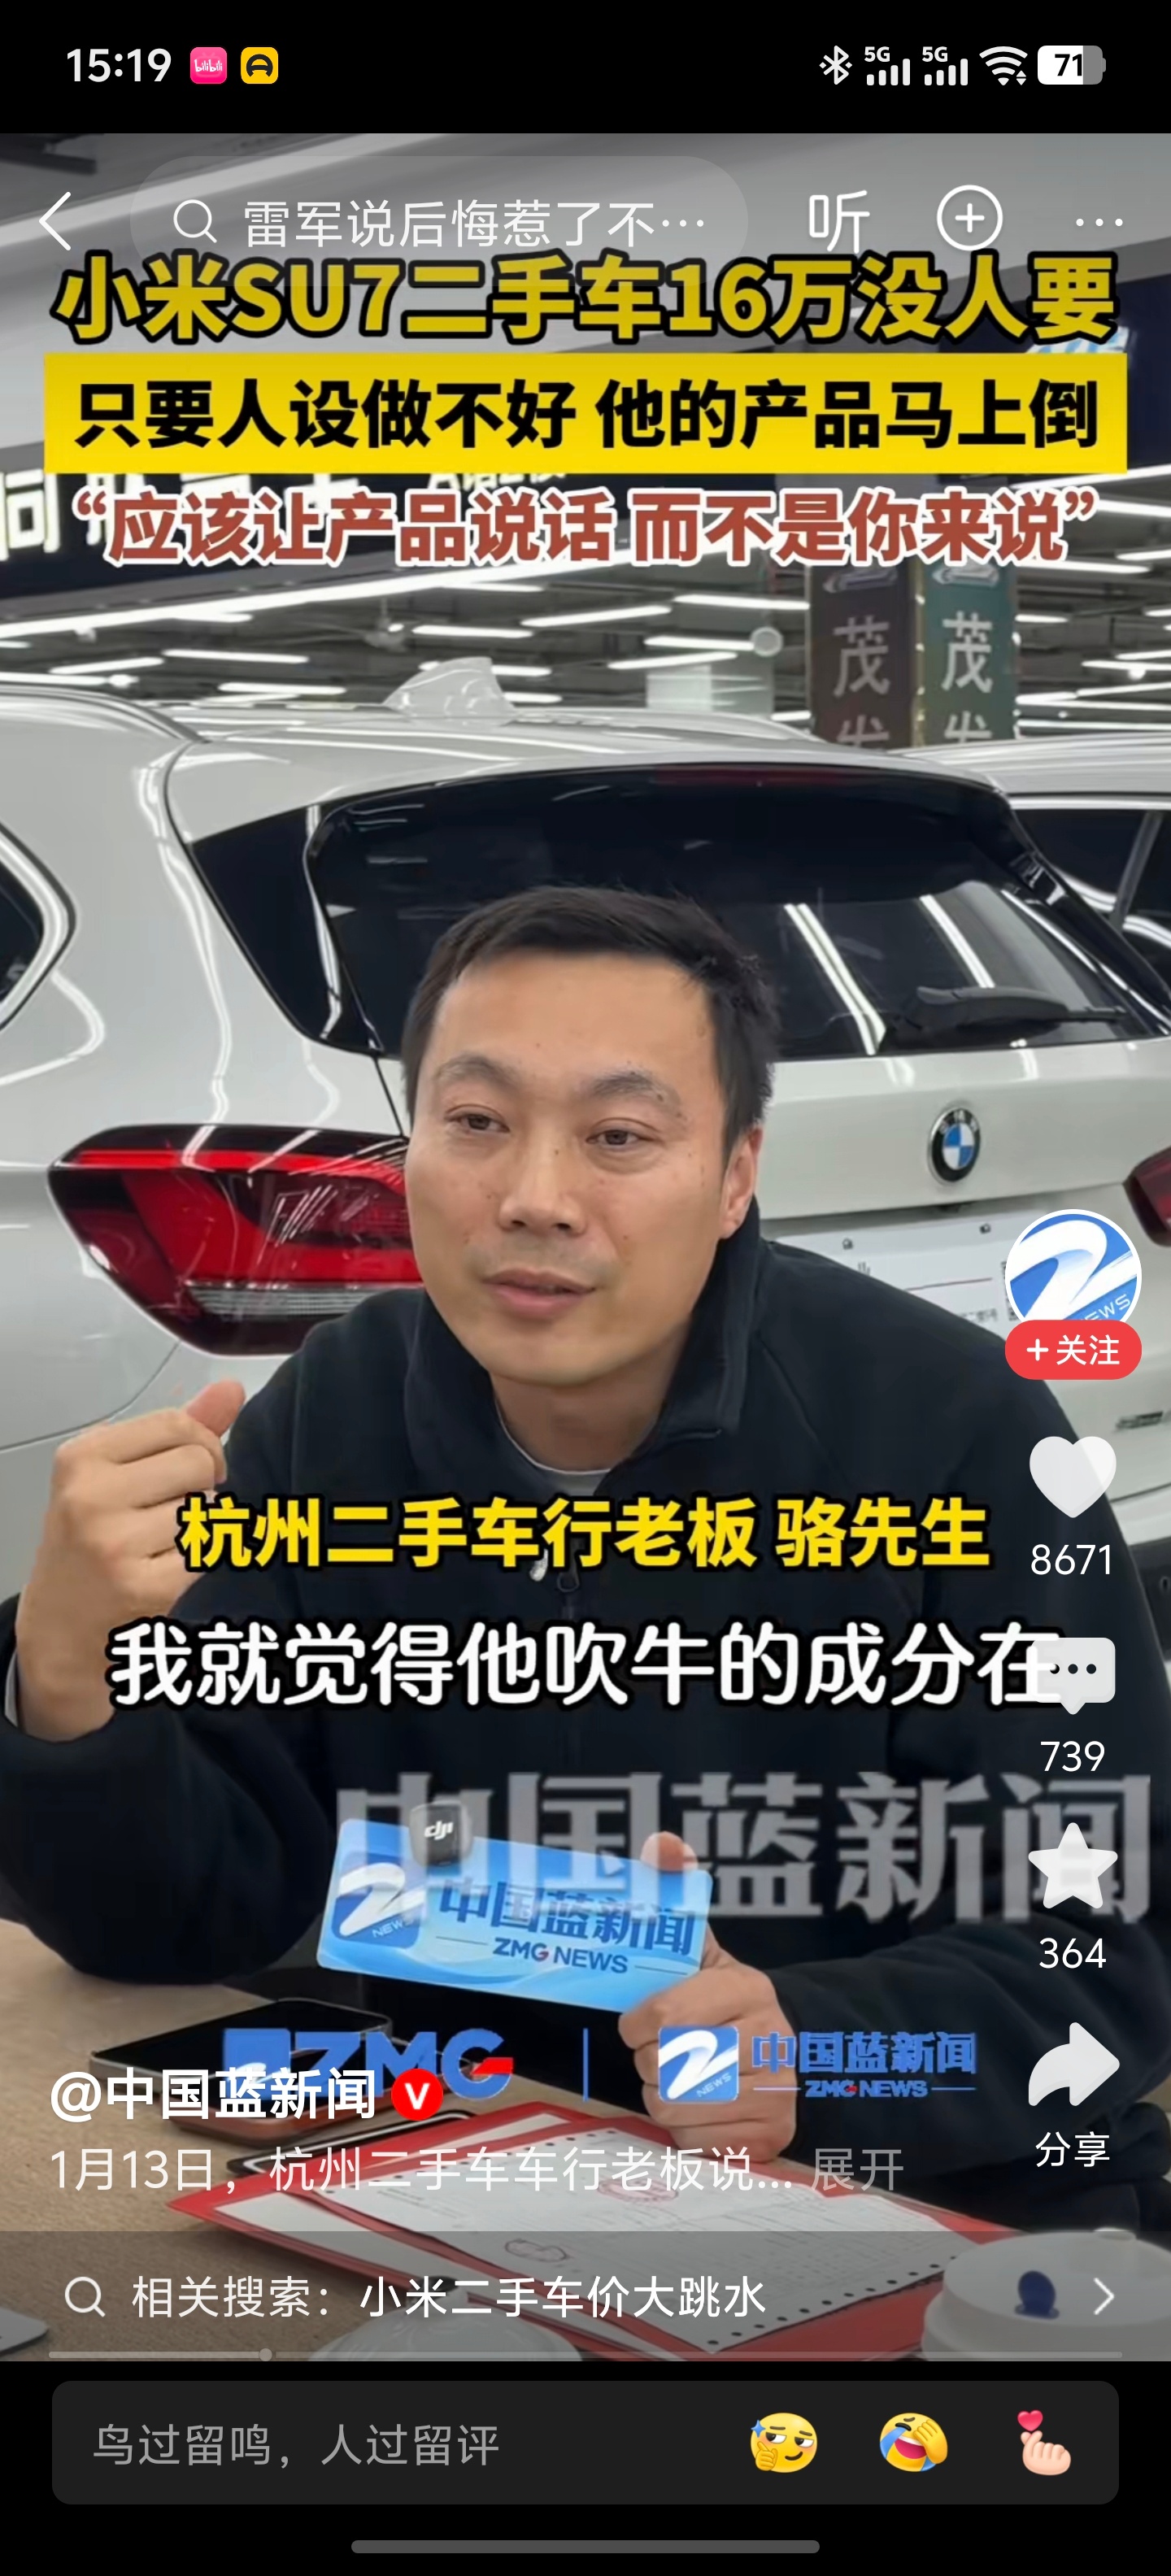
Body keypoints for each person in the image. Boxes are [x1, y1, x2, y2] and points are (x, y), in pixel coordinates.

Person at [2, 886, 1169, 2232]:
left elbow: (1107, 1961)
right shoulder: (335, 1412)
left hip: (911, 2200)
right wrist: (66, 1671)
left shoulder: (954, 1431)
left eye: (619, 1136)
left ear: (735, 1174)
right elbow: (171, 1923)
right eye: (476, 1122)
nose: (535, 1198)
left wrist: (814, 2048)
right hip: (475, 2166)